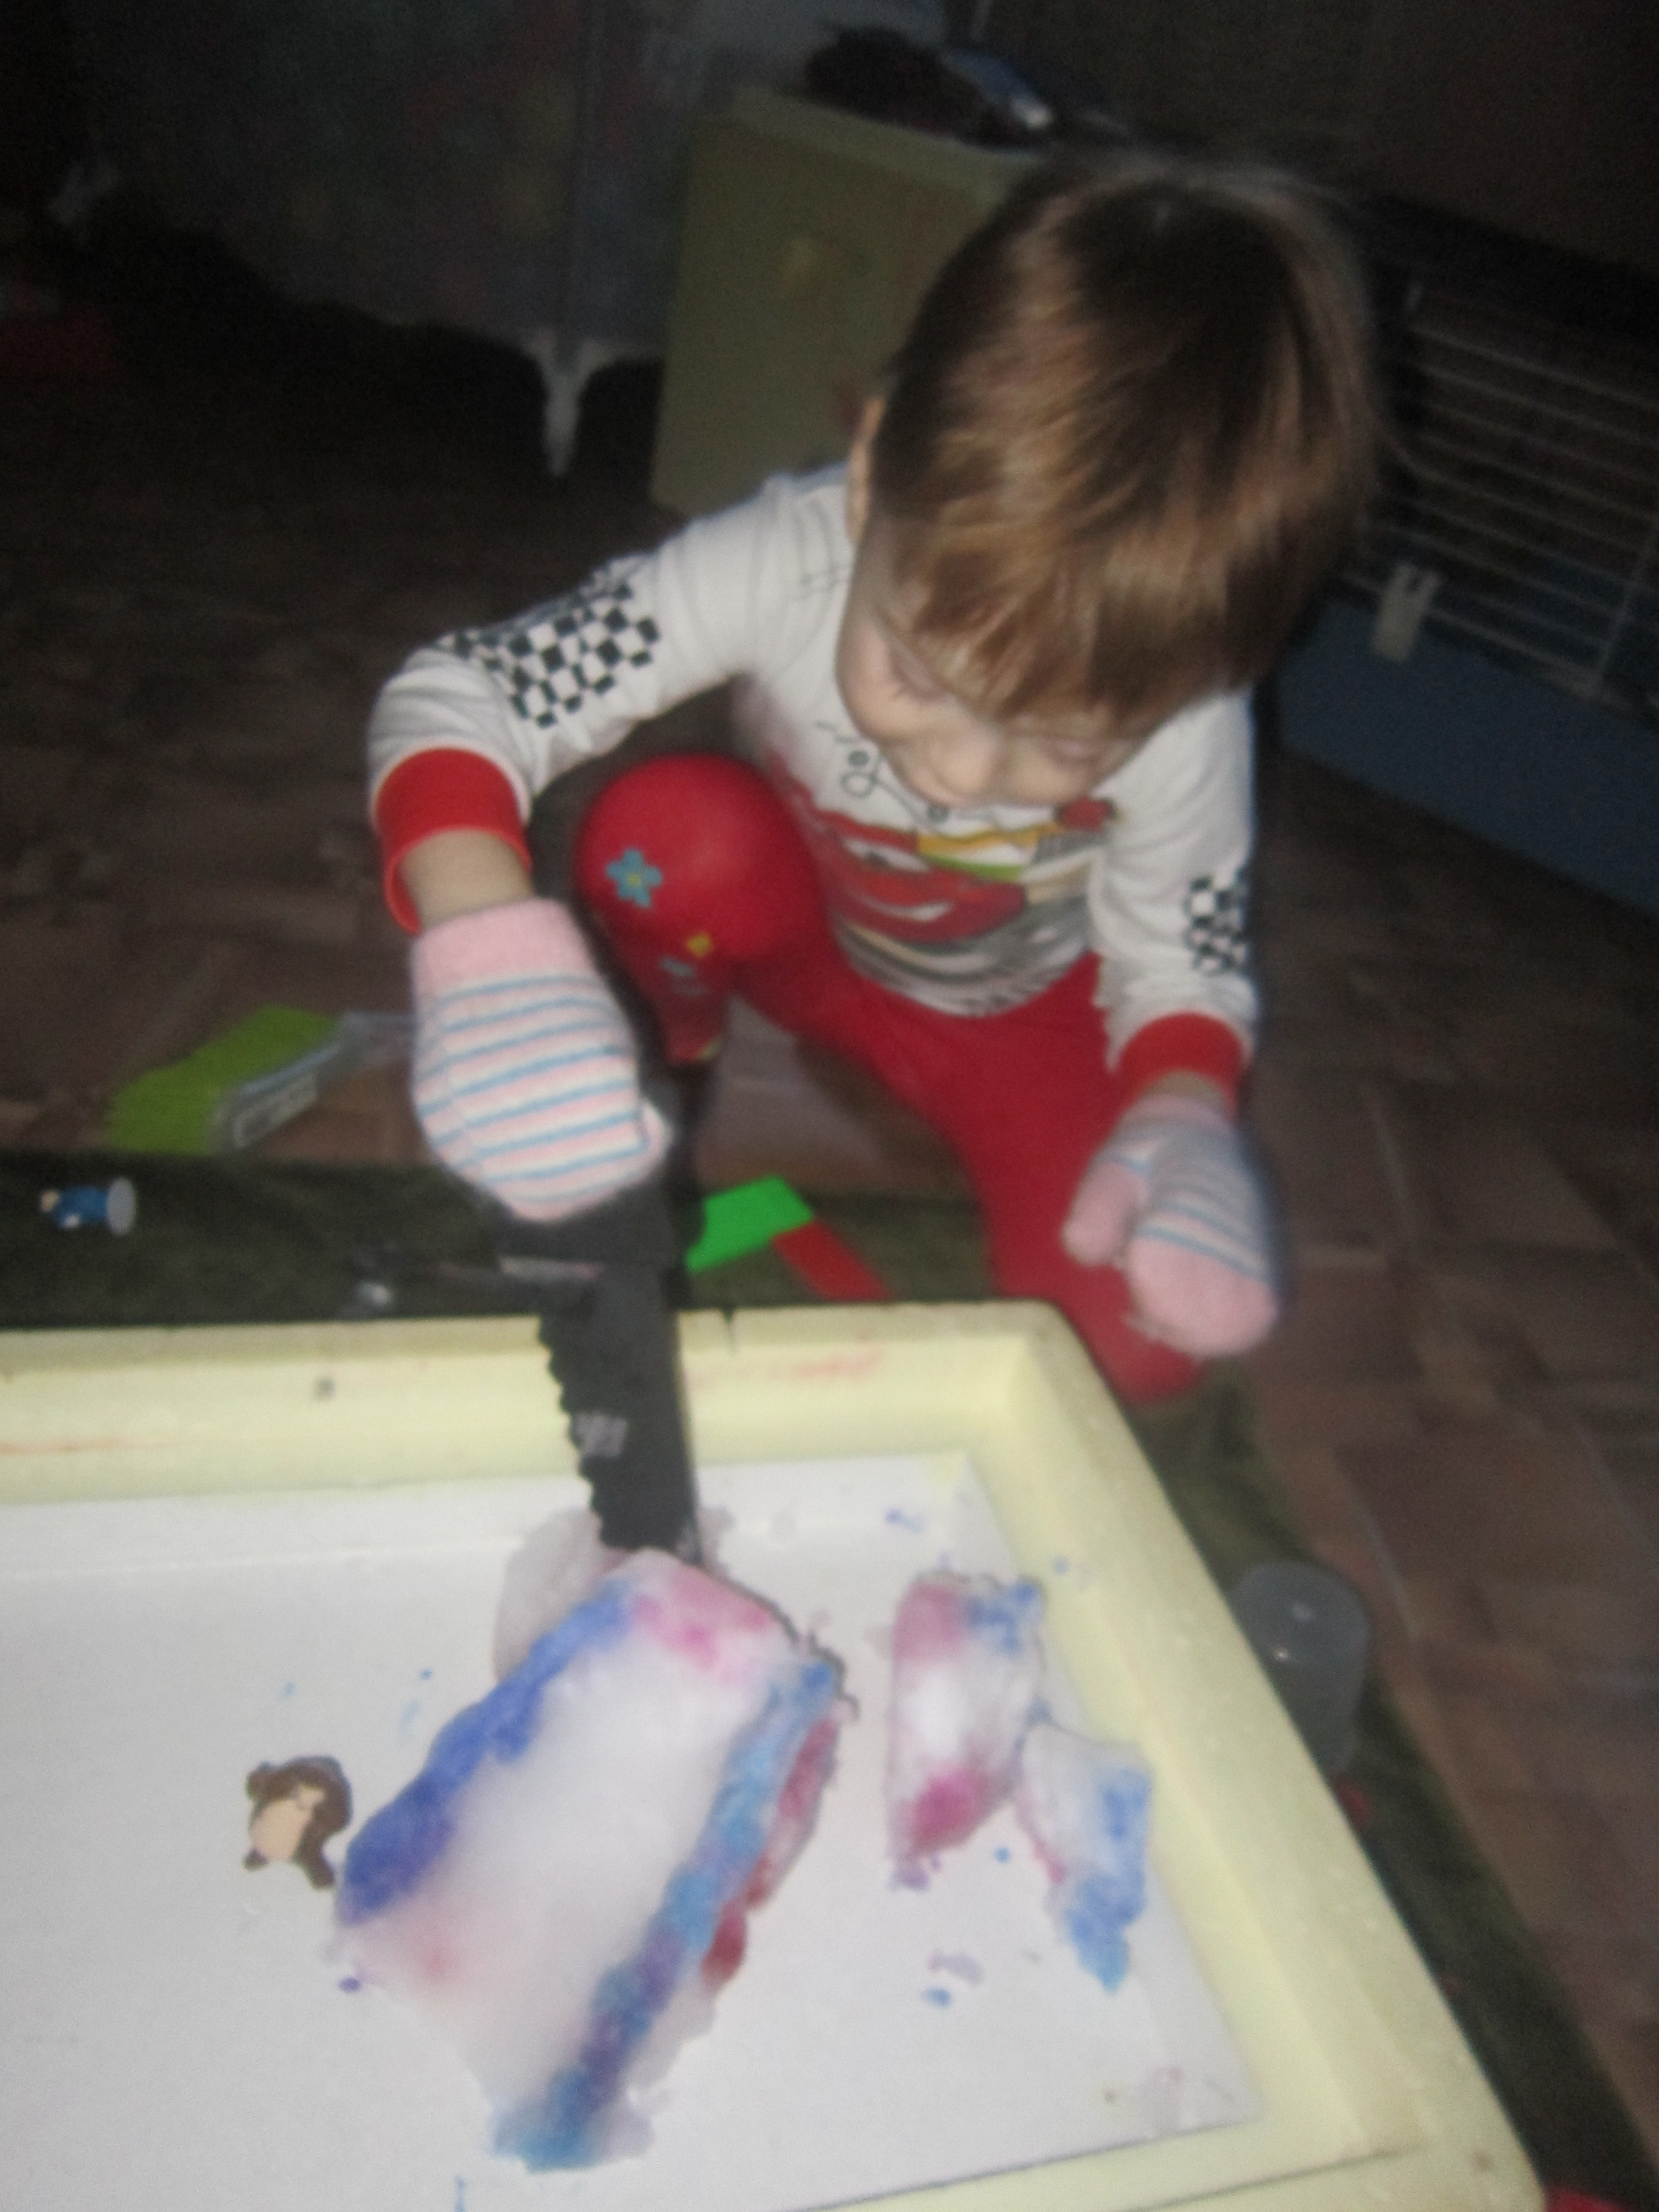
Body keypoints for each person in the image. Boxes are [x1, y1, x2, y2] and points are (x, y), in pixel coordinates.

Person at [367, 150, 1378, 1404]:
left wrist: (1182, 1117)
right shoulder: (780, 563)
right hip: (816, 952)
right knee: (663, 834)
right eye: (918, 672)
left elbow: (1184, 960)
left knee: (1134, 1347)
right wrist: (485, 953)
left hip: (1019, 1027)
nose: (958, 775)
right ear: (868, 473)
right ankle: (664, 1046)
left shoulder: (1193, 714)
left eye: (1064, 746)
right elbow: (467, 692)